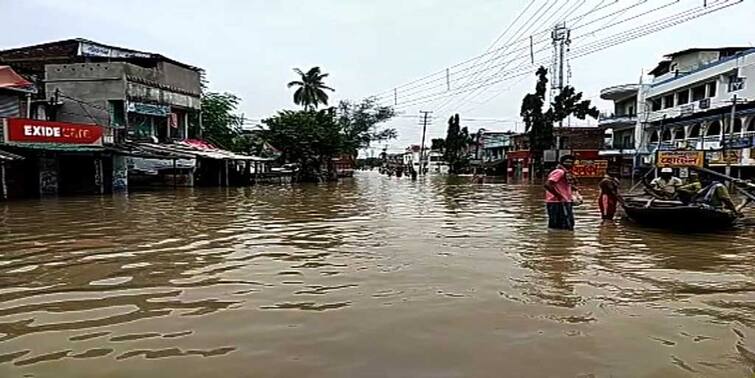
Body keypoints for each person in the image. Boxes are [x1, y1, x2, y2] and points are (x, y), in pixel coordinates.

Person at [544, 155, 577, 230]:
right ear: (562, 163)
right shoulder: (559, 172)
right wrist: (559, 195)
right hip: (557, 202)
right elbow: (547, 184)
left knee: (567, 224)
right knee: (559, 225)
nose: (569, 164)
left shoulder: (567, 173)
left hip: (564, 201)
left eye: (571, 162)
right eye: (567, 162)